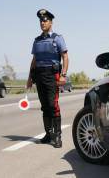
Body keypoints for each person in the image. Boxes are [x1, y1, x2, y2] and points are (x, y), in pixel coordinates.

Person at [27, 9, 69, 148]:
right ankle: (48, 133)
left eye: (45, 20)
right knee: (44, 106)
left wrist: (63, 75)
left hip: (53, 75)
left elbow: (65, 56)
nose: (42, 23)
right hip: (39, 75)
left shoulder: (57, 38)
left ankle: (57, 136)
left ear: (51, 22)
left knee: (53, 105)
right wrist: (29, 78)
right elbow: (34, 60)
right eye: (41, 21)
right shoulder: (37, 40)